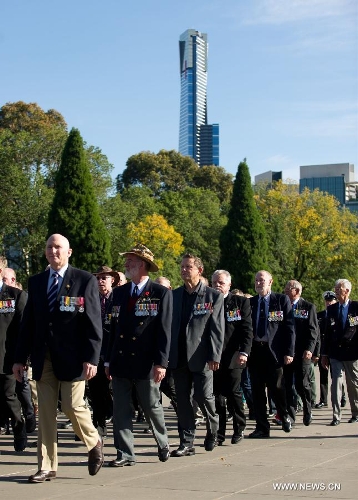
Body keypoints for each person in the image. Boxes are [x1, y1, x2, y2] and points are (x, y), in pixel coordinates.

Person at [13, 234, 104, 483]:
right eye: (50, 247)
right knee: (45, 413)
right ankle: (47, 466)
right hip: (44, 357)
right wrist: (20, 358)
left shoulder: (84, 280)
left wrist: (92, 358)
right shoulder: (37, 281)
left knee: (72, 405)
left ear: (69, 252)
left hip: (74, 357)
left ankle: (94, 441)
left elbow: (93, 322)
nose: (54, 251)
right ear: (45, 252)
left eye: (58, 247)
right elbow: (28, 324)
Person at [105, 244, 172, 467]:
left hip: (146, 361)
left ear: (142, 265)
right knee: (121, 408)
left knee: (152, 406)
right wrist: (107, 360)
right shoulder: (119, 293)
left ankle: (162, 443)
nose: (126, 265)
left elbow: (164, 331)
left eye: (131, 261)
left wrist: (161, 362)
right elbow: (112, 330)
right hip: (121, 359)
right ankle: (125, 453)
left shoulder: (160, 293)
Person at [169, 253, 224, 457]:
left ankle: (213, 430)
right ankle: (187, 442)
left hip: (202, 357)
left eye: (188, 267)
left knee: (203, 397)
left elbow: (217, 329)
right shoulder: (174, 296)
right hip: (178, 357)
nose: (183, 270)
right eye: (182, 267)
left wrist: (215, 356)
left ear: (199, 270)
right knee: (182, 401)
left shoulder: (212, 296)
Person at [248, 270, 295, 438]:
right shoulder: (251, 302)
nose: (259, 283)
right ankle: (262, 427)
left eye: (262, 280)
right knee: (257, 391)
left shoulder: (281, 300)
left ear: (270, 282)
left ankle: (284, 415)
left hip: (274, 352)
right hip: (255, 351)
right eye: (256, 280)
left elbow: (289, 328)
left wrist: (289, 352)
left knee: (276, 387)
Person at [211, 270, 253, 445]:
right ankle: (219, 433)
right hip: (214, 356)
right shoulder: (208, 301)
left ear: (229, 284)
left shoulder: (240, 302)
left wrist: (244, 352)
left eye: (220, 282)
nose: (217, 286)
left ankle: (239, 428)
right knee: (218, 396)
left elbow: (246, 330)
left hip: (234, 355)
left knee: (234, 393)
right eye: (214, 283)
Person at [88, 266, 119, 438]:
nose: (100, 281)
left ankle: (119, 424)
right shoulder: (91, 299)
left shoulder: (117, 298)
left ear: (112, 280)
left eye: (103, 278)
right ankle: (99, 428)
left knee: (114, 392)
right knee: (96, 392)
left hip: (113, 352)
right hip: (95, 354)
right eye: (97, 278)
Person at [0, 257, 28, 451]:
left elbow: (23, 329)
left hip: (6, 357)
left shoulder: (15, 295)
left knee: (8, 397)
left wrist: (22, 357)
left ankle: (19, 427)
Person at [321, 279, 358, 426]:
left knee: (353, 384)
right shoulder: (331, 309)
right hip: (335, 353)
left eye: (339, 288)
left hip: (352, 352)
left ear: (347, 291)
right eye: (335, 287)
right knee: (336, 383)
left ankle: (355, 412)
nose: (336, 290)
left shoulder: (356, 307)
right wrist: (324, 354)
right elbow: (327, 333)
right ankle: (336, 415)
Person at [283, 280, 319, 426]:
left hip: (302, 352)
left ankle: (307, 409)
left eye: (288, 289)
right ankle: (290, 416)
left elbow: (313, 330)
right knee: (287, 385)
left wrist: (310, 349)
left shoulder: (308, 307)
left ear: (296, 291)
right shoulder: (282, 305)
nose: (285, 291)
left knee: (302, 384)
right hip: (286, 353)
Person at [315, 291, 337, 408]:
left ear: (335, 301)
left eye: (331, 301)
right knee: (323, 376)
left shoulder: (338, 313)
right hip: (322, 349)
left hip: (334, 350)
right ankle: (323, 400)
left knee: (336, 376)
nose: (329, 303)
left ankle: (340, 397)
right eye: (327, 301)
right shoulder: (320, 315)